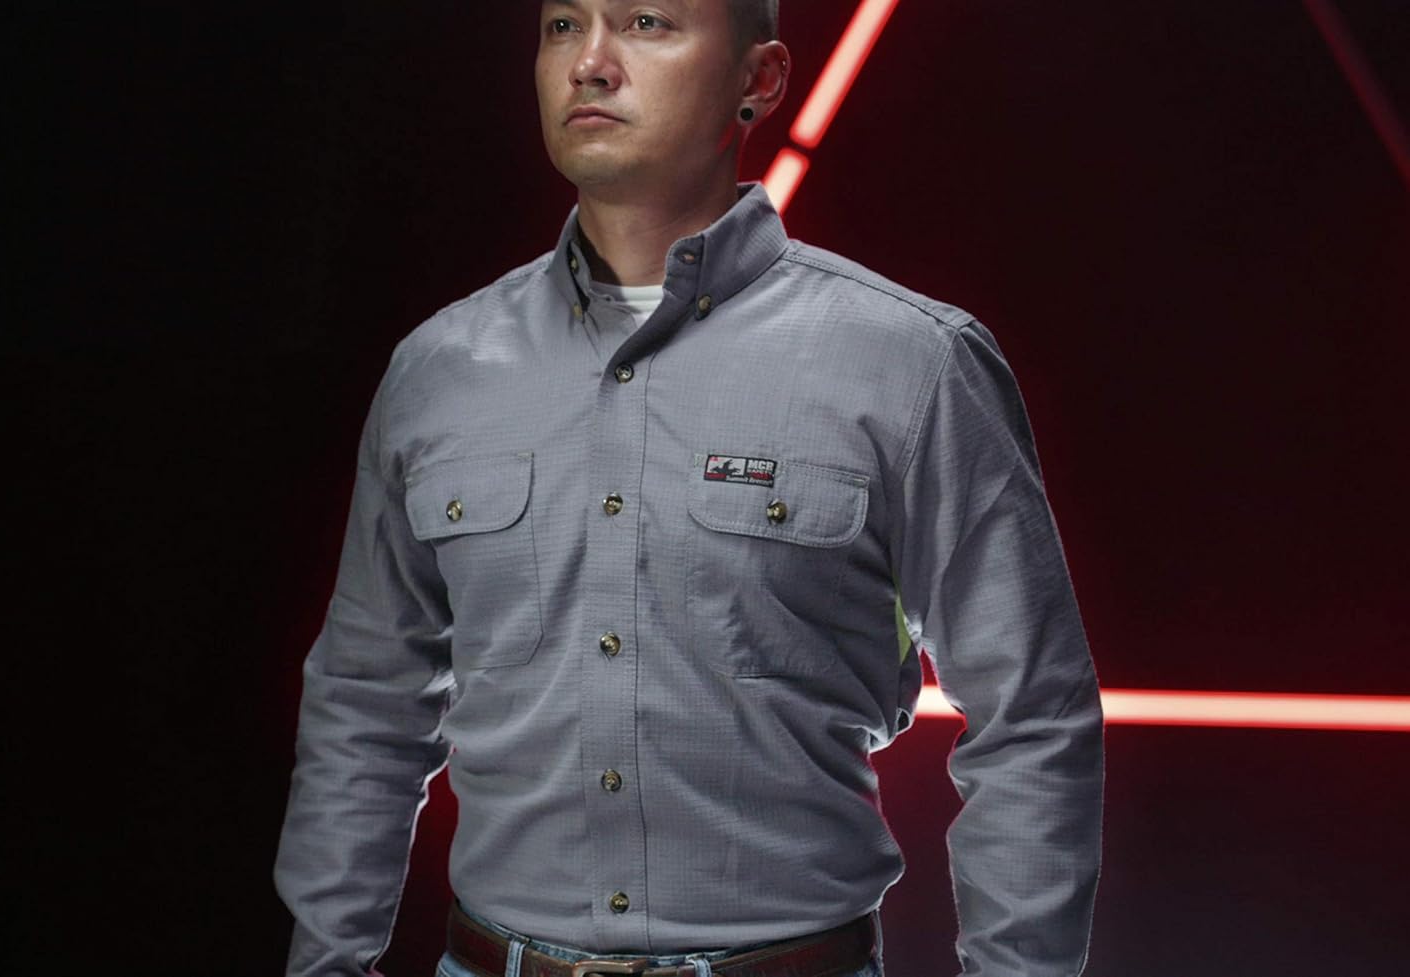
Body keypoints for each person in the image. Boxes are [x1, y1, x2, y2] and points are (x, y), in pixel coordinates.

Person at [273, 2, 1105, 976]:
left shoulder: (912, 363)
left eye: (646, 22)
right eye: (561, 26)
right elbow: (365, 703)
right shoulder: (436, 371)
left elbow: (1030, 713)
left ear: (760, 79)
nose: (589, 63)